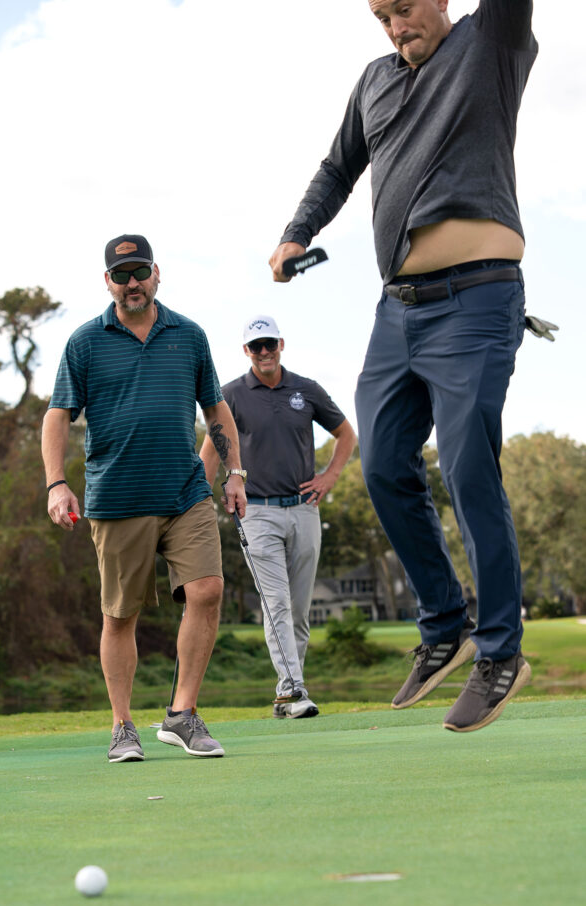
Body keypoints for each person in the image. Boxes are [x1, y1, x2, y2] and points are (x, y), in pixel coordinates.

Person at [269, 0, 537, 732]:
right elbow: (336, 168)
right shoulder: (374, 81)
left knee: (467, 465)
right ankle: (444, 623)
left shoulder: (490, 44)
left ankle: (500, 652)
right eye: (381, 14)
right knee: (383, 463)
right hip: (398, 311)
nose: (395, 26)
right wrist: (298, 234)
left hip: (478, 299)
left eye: (406, 8)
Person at [42, 235, 246, 763]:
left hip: (185, 492)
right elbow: (57, 416)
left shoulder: (190, 335)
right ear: (106, 282)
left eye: (139, 271)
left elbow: (217, 411)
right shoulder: (85, 342)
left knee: (206, 591)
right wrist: (56, 483)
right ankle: (122, 726)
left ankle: (182, 714)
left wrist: (235, 472)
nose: (131, 282)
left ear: (156, 273)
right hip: (116, 499)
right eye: (120, 274)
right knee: (120, 616)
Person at [200, 314, 355, 718]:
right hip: (256, 513)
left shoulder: (306, 390)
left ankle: (287, 697)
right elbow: (211, 451)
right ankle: (293, 689)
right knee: (276, 603)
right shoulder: (230, 394)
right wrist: (197, 502)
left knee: (299, 610)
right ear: (246, 351)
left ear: (281, 345)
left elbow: (346, 435)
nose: (264, 352)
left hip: (304, 510)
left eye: (270, 344)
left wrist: (329, 476)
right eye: (256, 346)